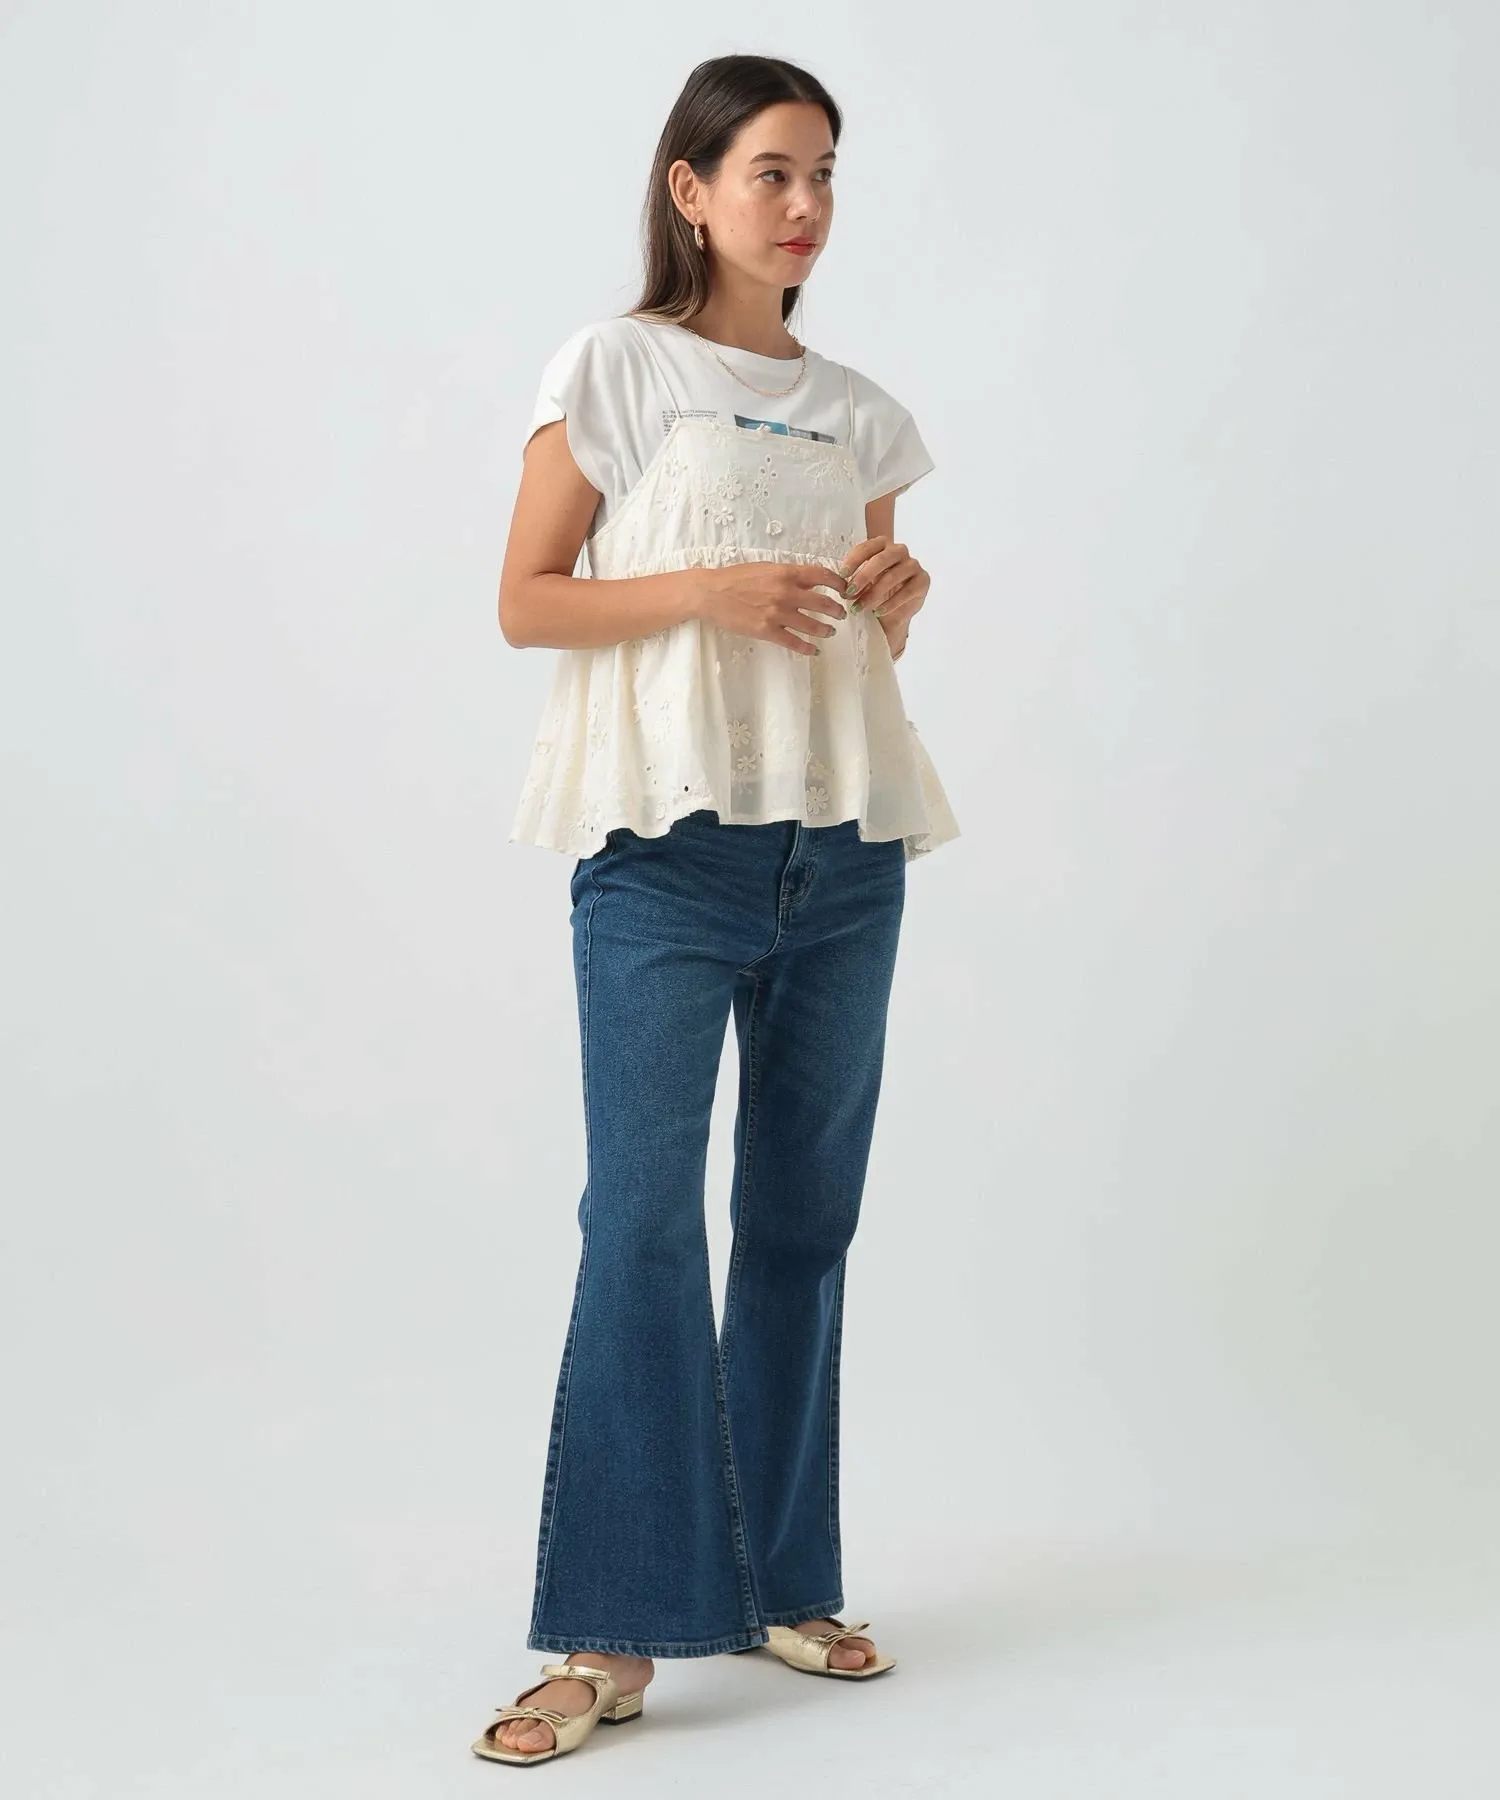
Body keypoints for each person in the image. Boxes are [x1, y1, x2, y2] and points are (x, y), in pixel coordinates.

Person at [473, 53, 960, 1767]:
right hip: (664, 853)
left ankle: (778, 1577)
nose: (806, 204)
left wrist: (898, 591)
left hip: (841, 851)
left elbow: (863, 637)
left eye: (825, 174)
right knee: (641, 1224)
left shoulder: (862, 413)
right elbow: (527, 600)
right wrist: (707, 590)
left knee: (805, 1222)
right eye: (771, 171)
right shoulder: (615, 366)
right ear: (690, 189)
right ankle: (607, 1632)